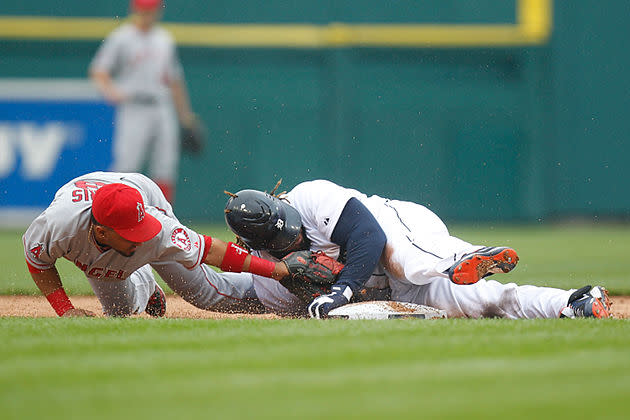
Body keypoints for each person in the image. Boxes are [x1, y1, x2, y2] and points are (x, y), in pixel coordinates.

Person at [223, 179, 612, 319]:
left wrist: (340, 290)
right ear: (263, 248)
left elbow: (369, 237)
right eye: (285, 241)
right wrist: (312, 291)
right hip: (396, 291)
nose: (295, 236)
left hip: (396, 228)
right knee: (490, 303)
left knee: (408, 261)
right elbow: (309, 311)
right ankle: (573, 303)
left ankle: (465, 256)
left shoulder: (310, 197)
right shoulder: (273, 279)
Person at [22, 172, 293, 317]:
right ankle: (146, 284)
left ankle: (285, 295)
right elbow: (37, 261)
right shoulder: (57, 227)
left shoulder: (157, 226)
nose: (141, 236)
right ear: (102, 233)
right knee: (120, 311)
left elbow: (211, 250)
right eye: (131, 233)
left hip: (137, 193)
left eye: (141, 229)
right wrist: (66, 311)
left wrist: (277, 271)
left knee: (204, 294)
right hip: (103, 215)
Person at [89, 0, 197, 202]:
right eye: (144, 10)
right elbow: (98, 70)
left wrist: (185, 116)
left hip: (161, 105)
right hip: (134, 106)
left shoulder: (164, 39)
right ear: (135, 10)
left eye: (151, 10)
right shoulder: (121, 37)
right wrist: (110, 91)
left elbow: (174, 80)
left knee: (165, 165)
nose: (148, 14)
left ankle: (164, 216)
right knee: (126, 165)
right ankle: (112, 212)